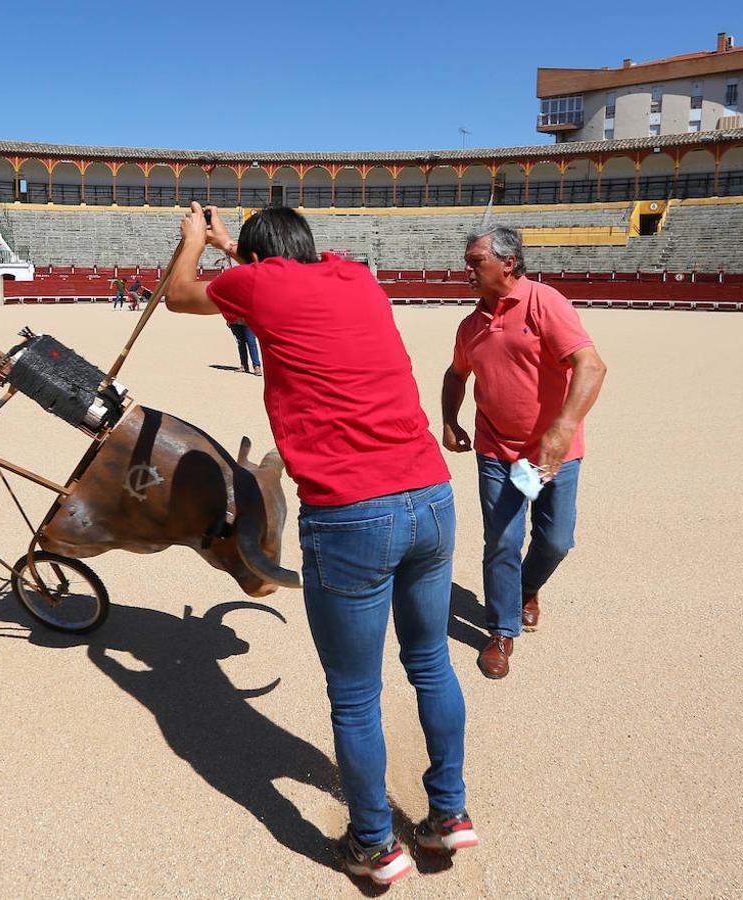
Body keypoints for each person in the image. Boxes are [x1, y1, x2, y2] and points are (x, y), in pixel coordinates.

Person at [164, 202, 478, 885]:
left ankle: (373, 842)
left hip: (352, 513)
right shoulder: (355, 277)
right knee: (429, 663)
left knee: (355, 693)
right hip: (430, 494)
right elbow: (283, 276)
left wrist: (193, 243)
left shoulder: (255, 284)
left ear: (253, 261)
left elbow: (177, 296)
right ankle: (449, 814)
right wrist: (233, 245)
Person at [441, 225, 607, 680]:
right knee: (503, 541)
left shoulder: (543, 302)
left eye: (476, 261)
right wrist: (450, 421)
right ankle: (500, 630)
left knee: (555, 540)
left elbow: (591, 365)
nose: (467, 269)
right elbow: (456, 376)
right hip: (498, 451)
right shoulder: (471, 323)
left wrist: (564, 426)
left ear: (508, 263)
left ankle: (527, 587)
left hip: (552, 454)